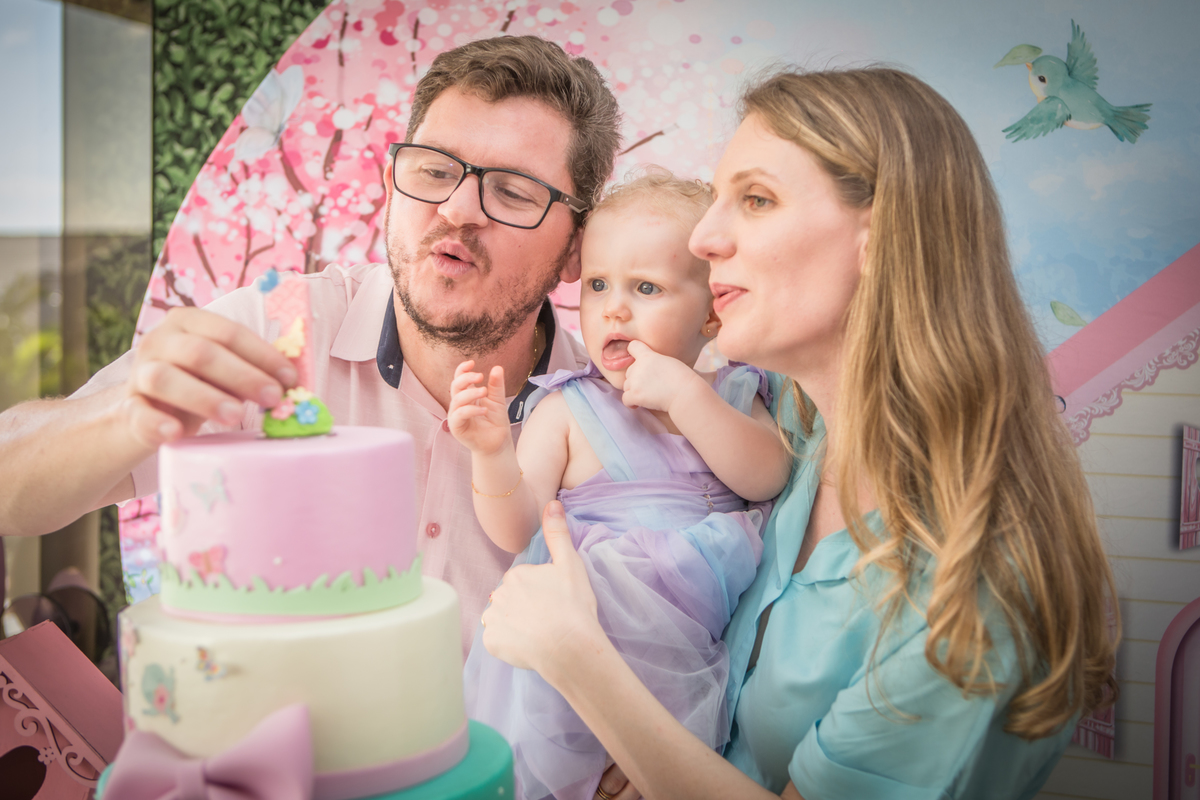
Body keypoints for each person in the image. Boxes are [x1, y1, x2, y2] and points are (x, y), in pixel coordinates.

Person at [478, 67, 1120, 800]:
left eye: (756, 199)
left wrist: (583, 667)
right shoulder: (793, 430)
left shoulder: (976, 582)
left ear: (882, 242)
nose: (705, 236)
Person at [0, 35, 621, 655]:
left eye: (512, 192)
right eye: (433, 170)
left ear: (575, 251)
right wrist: (129, 413)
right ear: (390, 185)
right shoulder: (272, 332)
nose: (457, 209)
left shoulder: (613, 435)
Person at [448, 171, 791, 800]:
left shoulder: (735, 396)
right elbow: (515, 528)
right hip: (569, 661)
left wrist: (686, 394)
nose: (614, 308)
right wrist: (492, 453)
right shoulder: (568, 409)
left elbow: (766, 475)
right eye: (599, 284)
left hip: (683, 669)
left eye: (647, 288)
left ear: (713, 313)